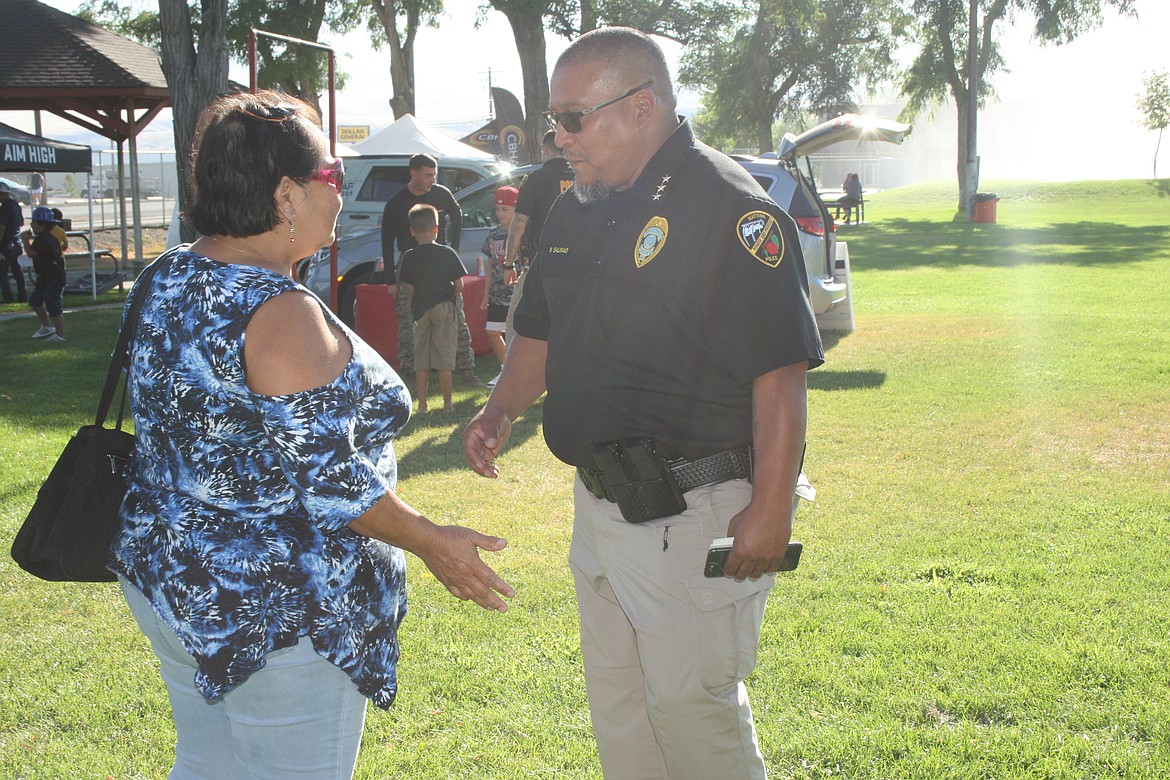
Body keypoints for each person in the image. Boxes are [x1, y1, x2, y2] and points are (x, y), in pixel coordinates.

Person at [109, 91, 514, 779]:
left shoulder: (170, 272)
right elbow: (332, 483)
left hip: (177, 580)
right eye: (333, 174)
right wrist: (434, 542)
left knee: (210, 765)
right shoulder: (279, 312)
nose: (341, 190)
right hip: (281, 616)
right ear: (287, 194)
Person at [463, 28, 823, 780]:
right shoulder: (577, 207)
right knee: (623, 719)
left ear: (642, 107)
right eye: (552, 119)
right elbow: (540, 336)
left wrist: (772, 507)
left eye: (573, 118)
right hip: (599, 506)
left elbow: (780, 374)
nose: (557, 137)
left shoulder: (730, 210)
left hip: (694, 508)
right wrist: (498, 411)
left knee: (695, 723)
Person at [380, 153, 481, 386]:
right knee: (408, 322)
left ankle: (467, 369)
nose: (432, 180)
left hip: (440, 265)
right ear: (413, 174)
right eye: (427, 175)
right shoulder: (397, 202)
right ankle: (410, 374)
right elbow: (386, 240)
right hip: (410, 267)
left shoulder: (441, 194)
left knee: (456, 318)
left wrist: (452, 249)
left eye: (434, 174)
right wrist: (390, 281)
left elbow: (457, 216)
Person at [503, 130, 574, 344]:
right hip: (576, 265)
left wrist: (508, 264)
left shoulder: (534, 180)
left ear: (545, 150)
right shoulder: (581, 176)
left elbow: (518, 225)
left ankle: (516, 374)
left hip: (540, 266)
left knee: (517, 323)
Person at [398, 203, 465, 415]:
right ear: (437, 229)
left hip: (420, 309)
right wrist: (451, 297)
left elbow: (409, 288)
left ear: (412, 231)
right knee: (444, 357)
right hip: (444, 306)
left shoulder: (408, 256)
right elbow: (459, 284)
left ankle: (422, 405)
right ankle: (447, 405)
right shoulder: (447, 253)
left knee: (422, 359)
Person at [479, 185, 518, 386]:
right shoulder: (493, 234)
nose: (500, 214)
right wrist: (485, 294)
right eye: (497, 209)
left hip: (516, 294)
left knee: (515, 335)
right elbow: (489, 264)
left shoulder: (522, 233)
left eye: (505, 209)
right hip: (496, 294)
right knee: (492, 332)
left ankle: (516, 375)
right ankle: (505, 371)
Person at [21, 206, 66, 342]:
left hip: (53, 277)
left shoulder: (44, 238)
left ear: (42, 224)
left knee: (53, 305)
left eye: (34, 222)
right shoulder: (43, 237)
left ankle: (60, 335)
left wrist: (24, 240)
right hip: (45, 276)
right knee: (35, 300)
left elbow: (31, 253)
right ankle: (46, 327)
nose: (31, 224)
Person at [0, 182, 27, 303]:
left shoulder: (4, 208)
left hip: (6, 244)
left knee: (2, 272)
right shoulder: (16, 205)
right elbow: (21, 222)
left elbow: (2, 228)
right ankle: (23, 295)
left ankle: (8, 298)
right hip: (17, 241)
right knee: (17, 270)